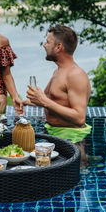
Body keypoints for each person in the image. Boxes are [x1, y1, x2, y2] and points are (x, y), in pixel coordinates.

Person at [24, 25, 92, 167]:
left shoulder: (75, 75)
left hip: (72, 143)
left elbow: (79, 117)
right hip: (55, 137)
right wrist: (25, 102)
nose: (44, 45)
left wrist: (44, 101)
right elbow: (54, 102)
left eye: (48, 42)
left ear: (59, 47)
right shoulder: (59, 71)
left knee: (73, 188)